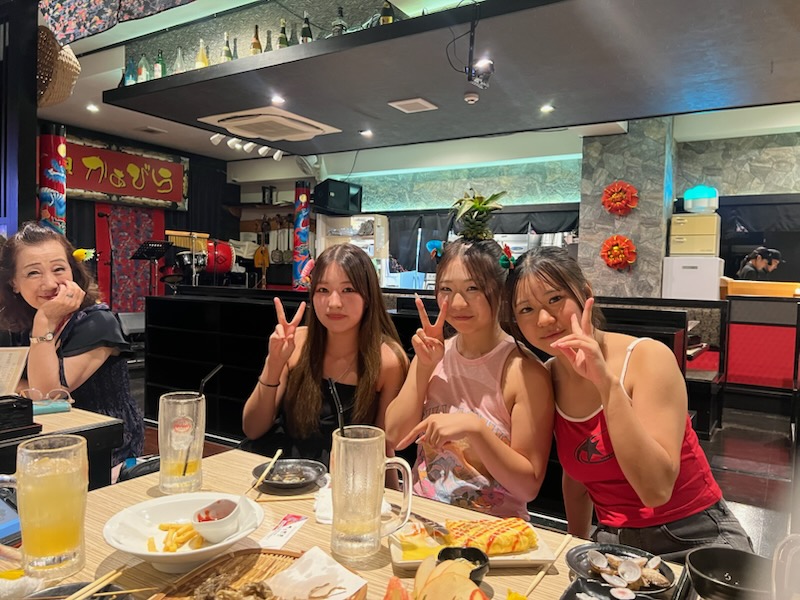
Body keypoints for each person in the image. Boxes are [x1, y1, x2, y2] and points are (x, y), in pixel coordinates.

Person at [504, 246, 751, 561]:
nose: (544, 319)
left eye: (555, 299)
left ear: (585, 294)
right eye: (526, 309)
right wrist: (575, 545)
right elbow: (576, 475)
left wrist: (606, 385)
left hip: (695, 534)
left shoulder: (648, 358)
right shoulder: (547, 377)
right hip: (616, 541)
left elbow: (656, 491)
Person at [386, 238, 554, 519]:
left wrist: (475, 430)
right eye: (446, 290)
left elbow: (528, 487)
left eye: (473, 288)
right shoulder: (432, 353)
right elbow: (395, 437)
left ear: (500, 290)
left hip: (493, 529)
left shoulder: (525, 372)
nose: (457, 303)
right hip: (422, 520)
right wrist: (424, 367)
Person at [242, 243, 408, 467]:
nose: (334, 303)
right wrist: (274, 363)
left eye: (348, 290)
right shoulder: (296, 343)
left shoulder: (388, 361)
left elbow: (383, 448)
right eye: (323, 290)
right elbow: (252, 429)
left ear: (368, 296)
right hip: (285, 472)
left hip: (346, 478)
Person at [0, 222, 144, 467]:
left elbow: (47, 396)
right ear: (13, 282)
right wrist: (25, 387)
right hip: (44, 435)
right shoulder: (20, 321)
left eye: (59, 269)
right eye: (33, 273)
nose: (49, 283)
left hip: (102, 445)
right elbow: (9, 381)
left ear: (73, 272)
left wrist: (44, 322)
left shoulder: (98, 321)